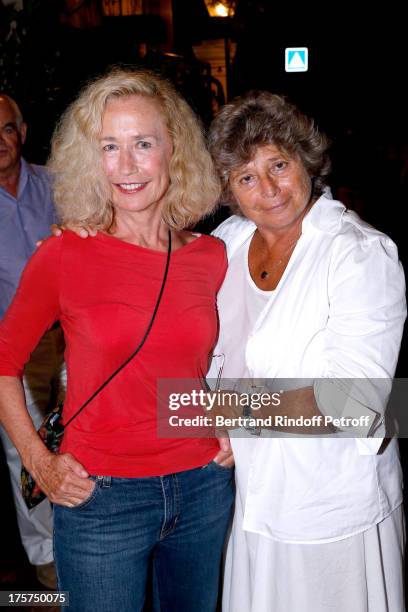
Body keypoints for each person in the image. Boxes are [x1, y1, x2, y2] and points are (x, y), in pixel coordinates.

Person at [0, 69, 234, 612]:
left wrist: (235, 424)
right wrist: (39, 461)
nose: (127, 166)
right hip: (100, 496)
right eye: (110, 146)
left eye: (143, 144)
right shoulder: (64, 255)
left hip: (202, 488)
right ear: (90, 158)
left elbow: (225, 363)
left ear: (173, 152)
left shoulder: (213, 256)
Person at [206, 91, 406, 611]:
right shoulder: (230, 239)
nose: (268, 189)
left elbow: (362, 404)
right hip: (247, 501)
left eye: (278, 165)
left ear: (307, 162)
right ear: (229, 189)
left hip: (327, 510)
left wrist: (216, 413)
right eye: (246, 177)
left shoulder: (358, 254)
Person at [0, 93, 65, 589]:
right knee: (24, 450)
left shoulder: (58, 184)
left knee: (76, 440)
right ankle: (46, 563)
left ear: (21, 131)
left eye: (5, 128)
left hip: (70, 337)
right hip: (9, 348)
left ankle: (86, 539)